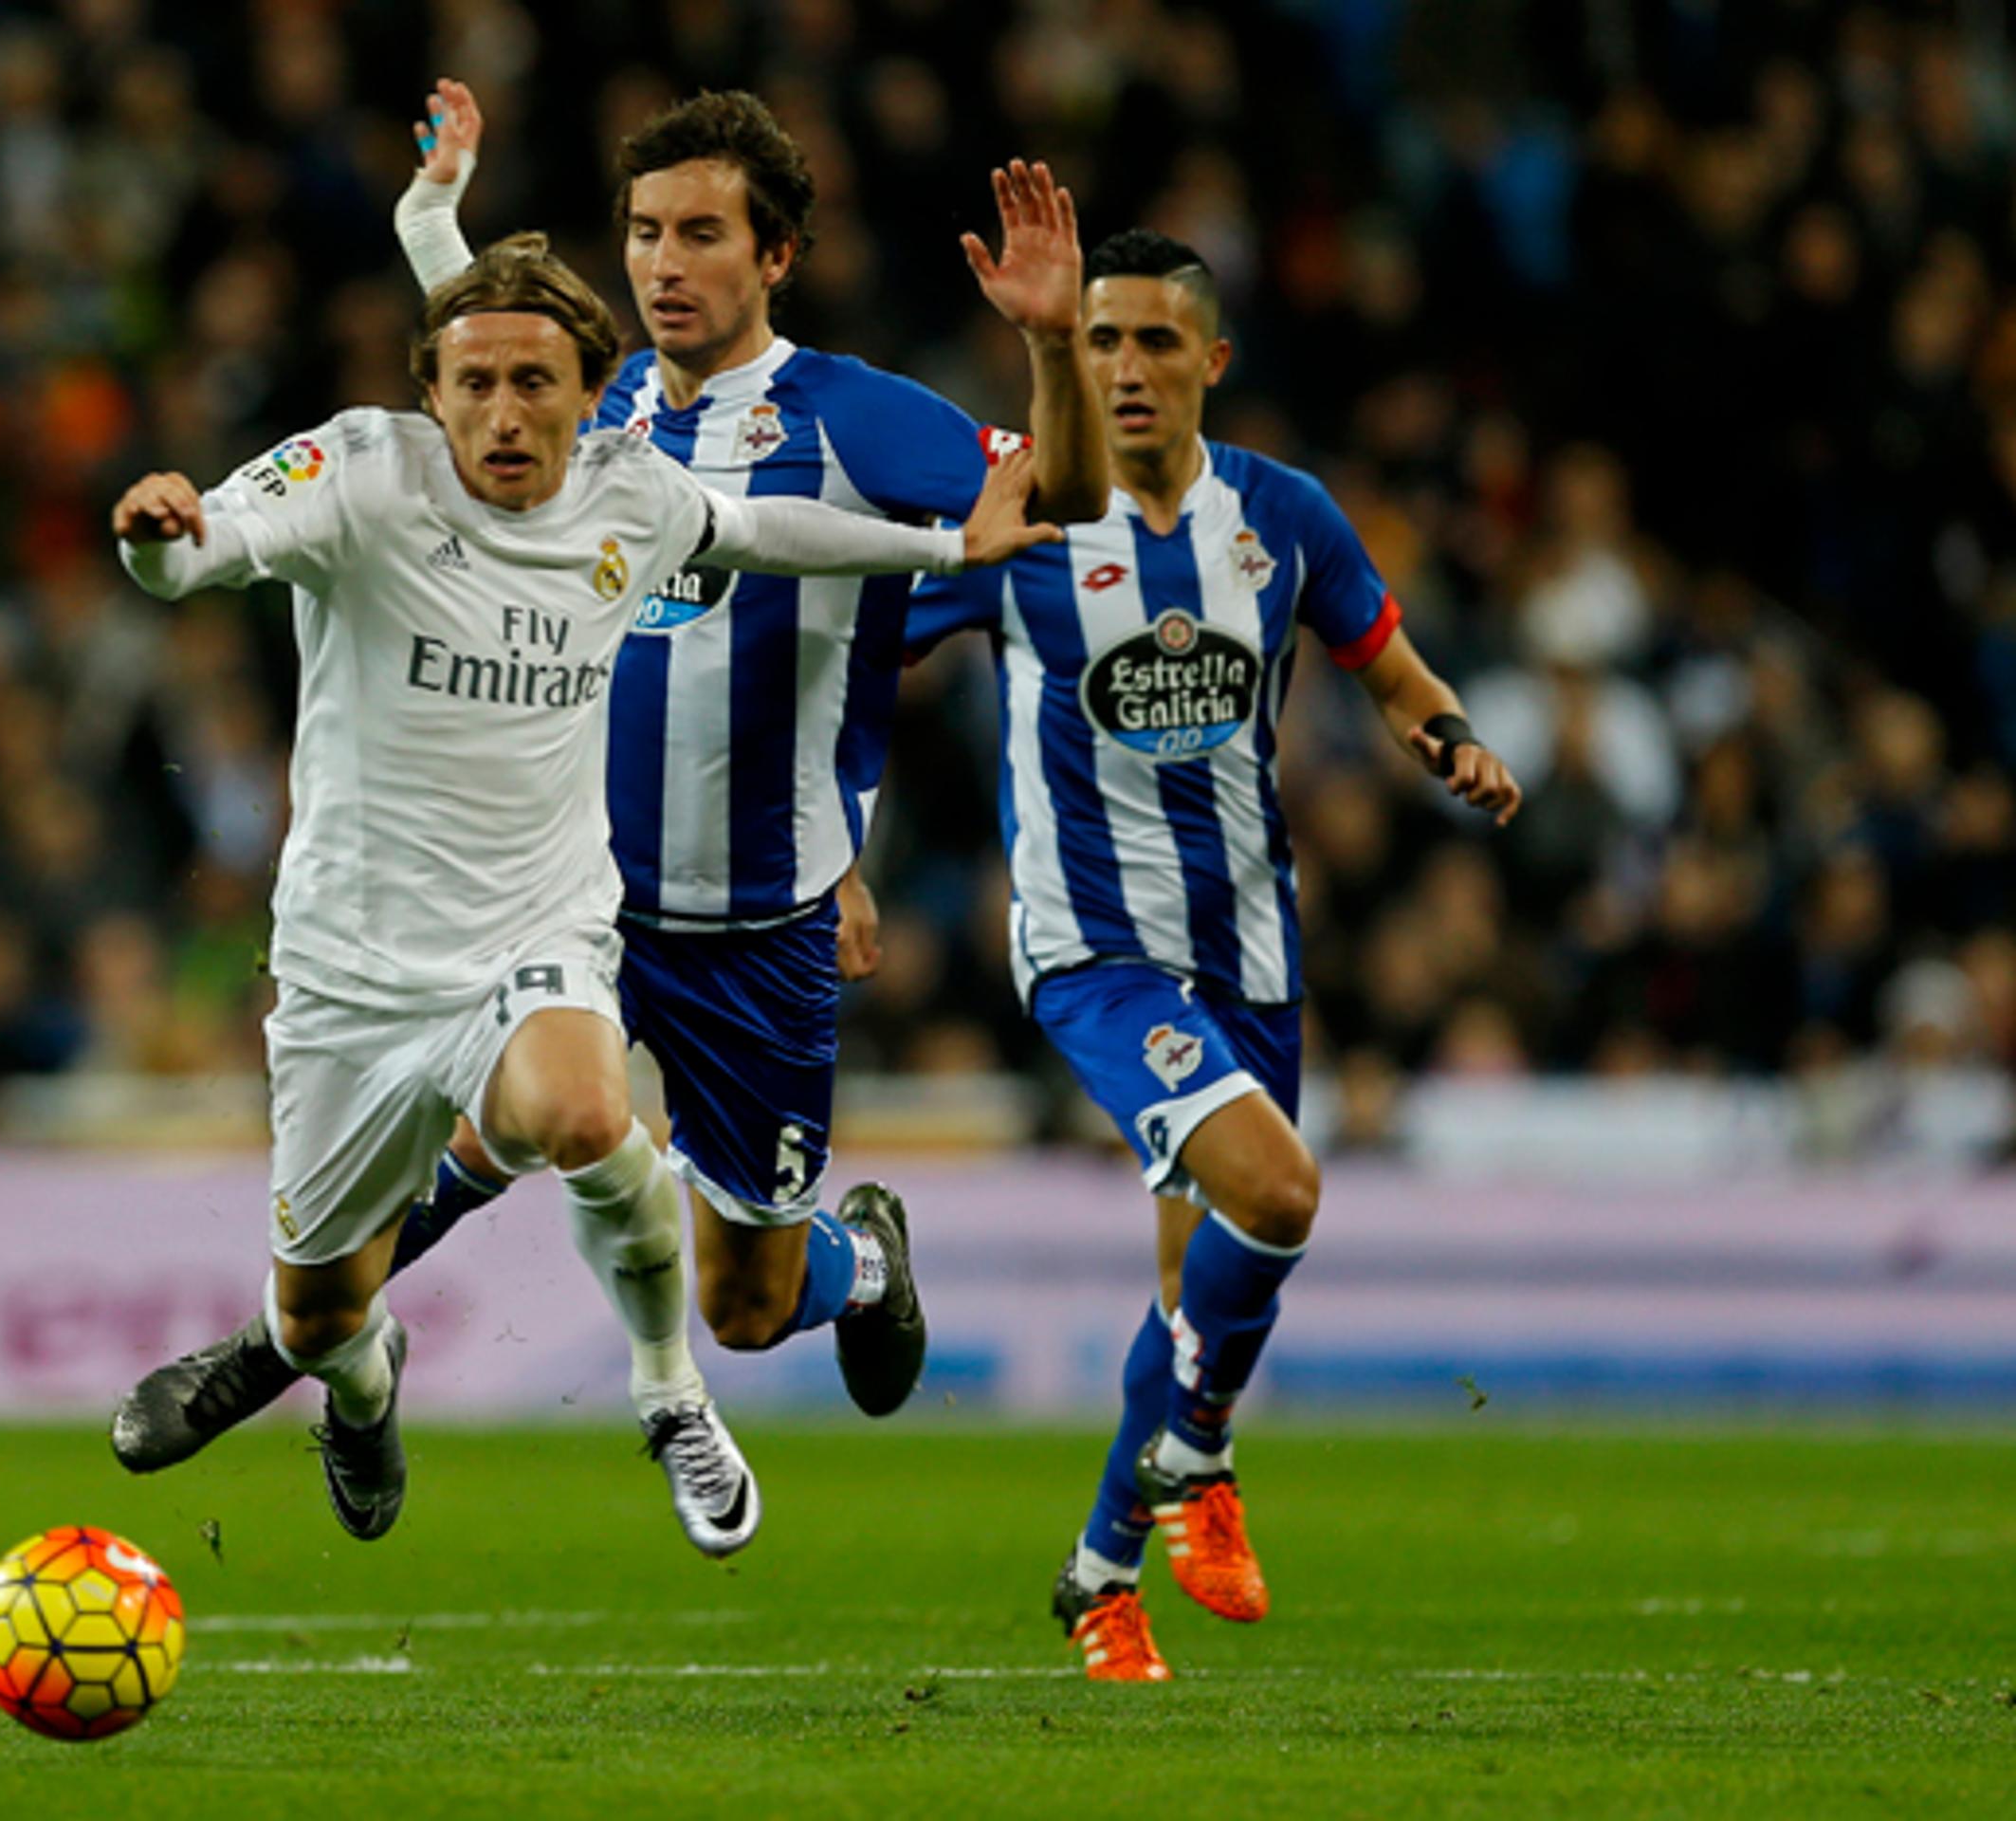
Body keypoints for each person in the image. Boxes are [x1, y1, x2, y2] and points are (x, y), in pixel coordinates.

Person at [110, 81, 1106, 1474]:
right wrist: (431, 215)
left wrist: (1052, 345)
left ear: (775, 255)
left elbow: (1058, 499)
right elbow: (482, 342)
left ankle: (862, 1261)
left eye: (701, 235)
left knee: (745, 1306)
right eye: (643, 232)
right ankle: (293, 1346)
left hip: (754, 912)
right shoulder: (597, 397)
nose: (660, 265)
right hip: (569, 895)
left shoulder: (856, 421)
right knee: (483, 1136)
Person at [905, 230, 1522, 1679]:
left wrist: (1451, 738)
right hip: (1095, 953)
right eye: (1099, 341)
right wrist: (830, 836)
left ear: (1211, 360)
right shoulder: (1025, 519)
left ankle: (1099, 1573)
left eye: (1152, 342)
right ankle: (1195, 1455)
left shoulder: (1281, 515)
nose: (1123, 368)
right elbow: (859, 663)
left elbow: (1390, 670)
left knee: (1199, 1290)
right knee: (1279, 1191)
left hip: (1250, 953)